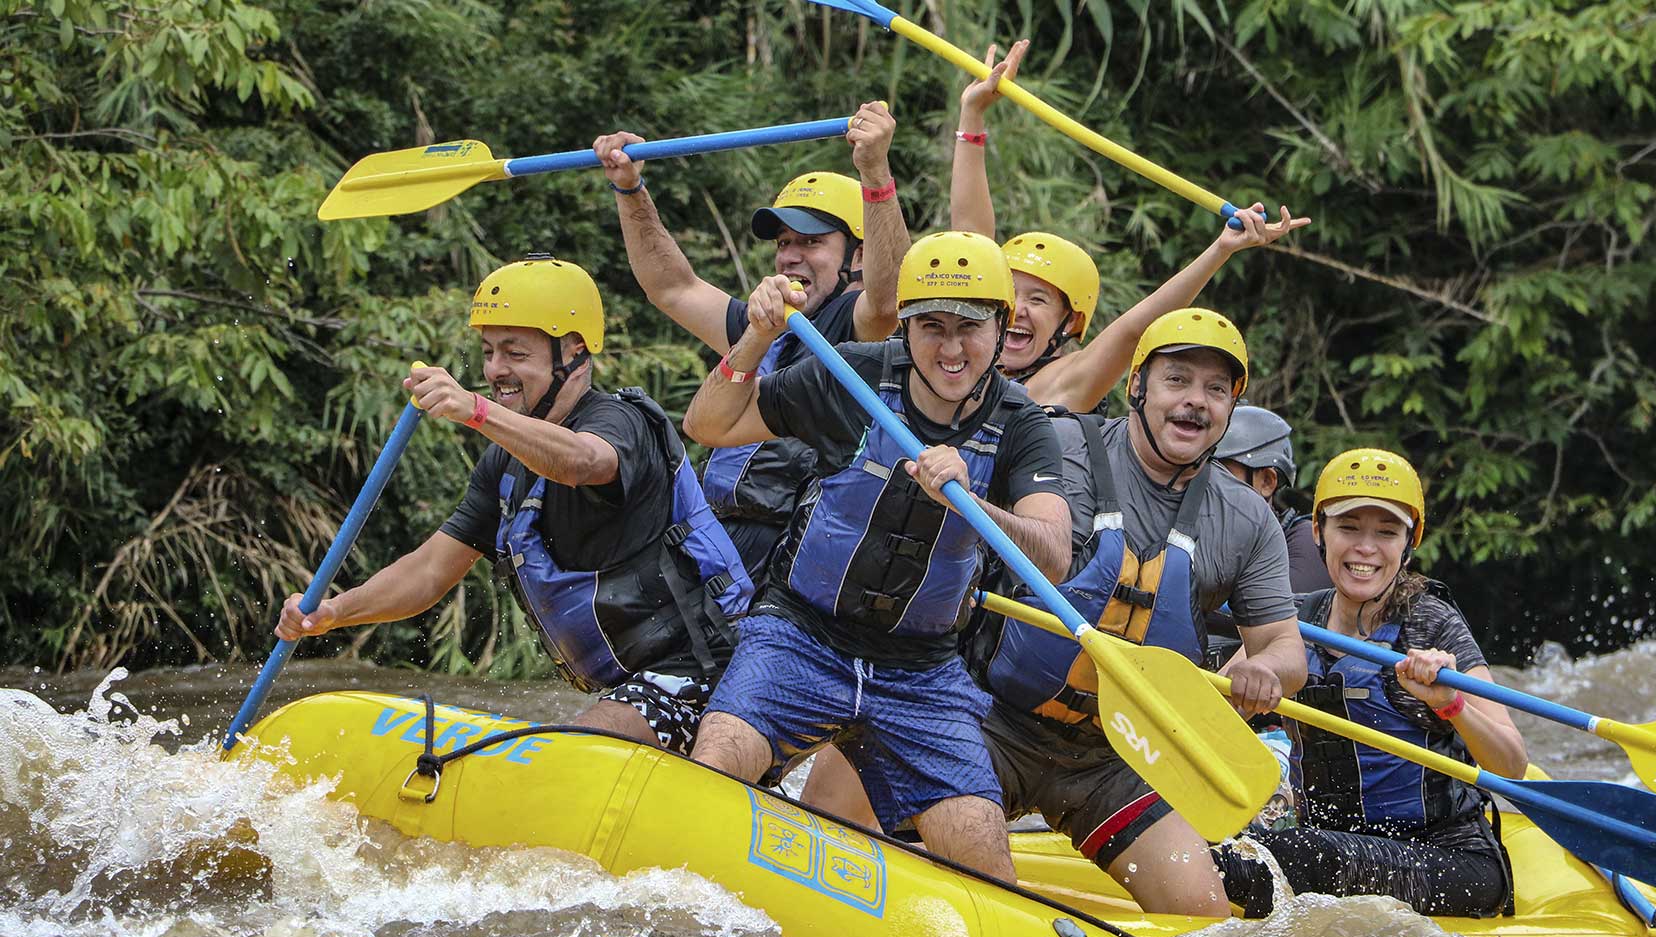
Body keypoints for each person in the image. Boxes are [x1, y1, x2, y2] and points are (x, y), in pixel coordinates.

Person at [802, 309, 1309, 916]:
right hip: (984, 714)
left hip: (1112, 757)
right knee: (833, 800)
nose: (1195, 401)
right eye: (1177, 381)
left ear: (1229, 409)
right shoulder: (1059, 445)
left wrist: (1265, 671)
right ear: (1138, 386)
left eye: (1216, 390)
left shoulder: (1247, 518)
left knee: (1203, 919)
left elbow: (1285, 648)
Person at [680, 232, 1071, 882]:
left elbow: (1052, 556)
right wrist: (754, 338)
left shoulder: (1021, 424)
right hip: (800, 636)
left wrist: (974, 505)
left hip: (922, 673)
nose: (951, 349)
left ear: (1001, 330)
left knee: (985, 861)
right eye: (932, 327)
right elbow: (709, 426)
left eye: (970, 329)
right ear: (906, 327)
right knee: (718, 759)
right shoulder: (852, 376)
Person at [273, 257, 751, 750]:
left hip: (708, 672)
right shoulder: (504, 465)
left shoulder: (619, 423)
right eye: (488, 352)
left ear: (574, 350)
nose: (495, 370)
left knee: (573, 752)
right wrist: (333, 612)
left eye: (515, 353)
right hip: (629, 687)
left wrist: (475, 411)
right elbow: (429, 571)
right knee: (569, 743)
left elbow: (583, 461)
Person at [594, 102, 909, 579]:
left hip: (792, 549)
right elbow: (672, 287)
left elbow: (888, 301)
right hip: (715, 534)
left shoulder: (858, 326)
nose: (790, 257)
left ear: (858, 256)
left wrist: (875, 172)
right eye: (784, 243)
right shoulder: (765, 322)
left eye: (811, 242)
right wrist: (629, 188)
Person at [1212, 449, 1529, 918]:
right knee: (1213, 842)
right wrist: (1242, 691)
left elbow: (1512, 766)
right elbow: (1207, 723)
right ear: (1319, 532)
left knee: (1303, 854)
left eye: (1386, 532)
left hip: (1447, 859)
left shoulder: (1430, 624)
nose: (1366, 548)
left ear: (1408, 543)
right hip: (1329, 842)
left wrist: (1452, 704)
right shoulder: (1294, 620)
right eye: (1348, 528)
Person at [950, 39, 1308, 412]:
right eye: (1011, 295)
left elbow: (1134, 331)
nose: (1017, 310)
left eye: (1037, 299)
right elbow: (970, 244)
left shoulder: (1064, 382)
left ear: (1069, 323)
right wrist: (972, 114)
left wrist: (1221, 250)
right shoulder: (959, 362)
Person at [1212, 404, 1330, 594]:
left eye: (1221, 474)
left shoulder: (1304, 542)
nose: (1208, 484)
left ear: (1267, 481)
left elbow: (1268, 604)